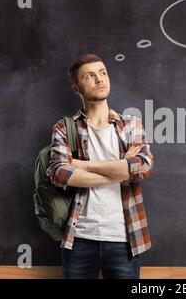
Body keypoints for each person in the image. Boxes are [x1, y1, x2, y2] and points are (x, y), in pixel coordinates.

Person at [46, 53, 154, 279]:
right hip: (79, 240)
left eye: (103, 73)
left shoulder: (130, 125)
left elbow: (143, 167)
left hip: (125, 239)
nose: (99, 79)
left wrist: (82, 166)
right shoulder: (65, 128)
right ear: (77, 89)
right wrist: (121, 169)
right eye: (90, 76)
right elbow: (59, 173)